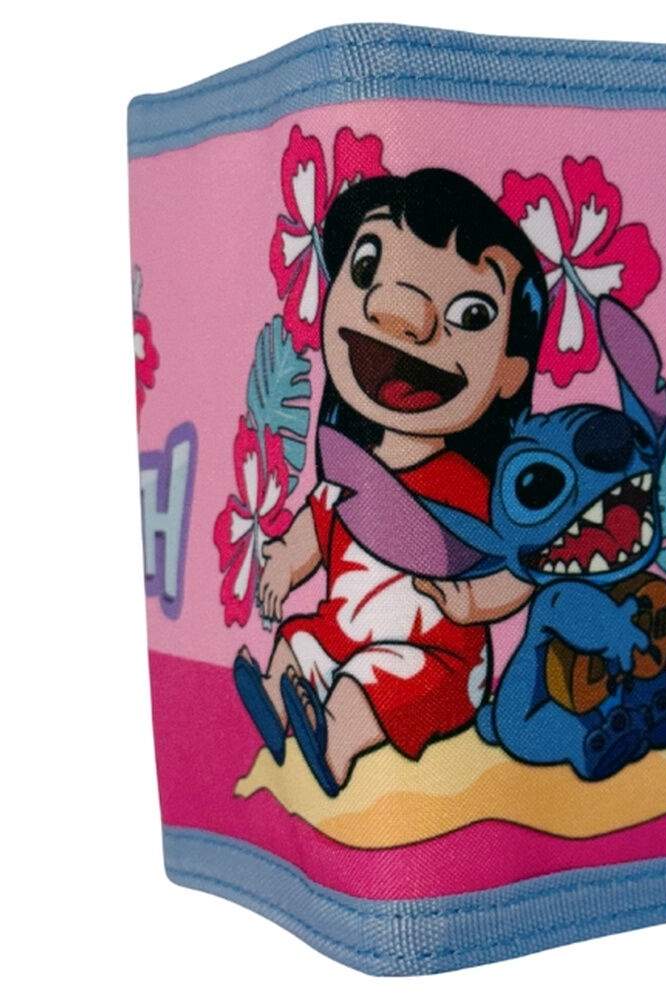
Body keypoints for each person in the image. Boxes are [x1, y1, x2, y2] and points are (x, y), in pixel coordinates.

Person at [234, 168, 545, 795]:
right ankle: (277, 703)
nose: (401, 316)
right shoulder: (347, 471)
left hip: (438, 659)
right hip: (342, 631)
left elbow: (518, 568)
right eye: (366, 266)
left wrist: (472, 604)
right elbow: (313, 529)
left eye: (472, 312)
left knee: (368, 683)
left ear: (511, 371)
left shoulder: (473, 489)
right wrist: (283, 563)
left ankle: (336, 745)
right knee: (298, 643)